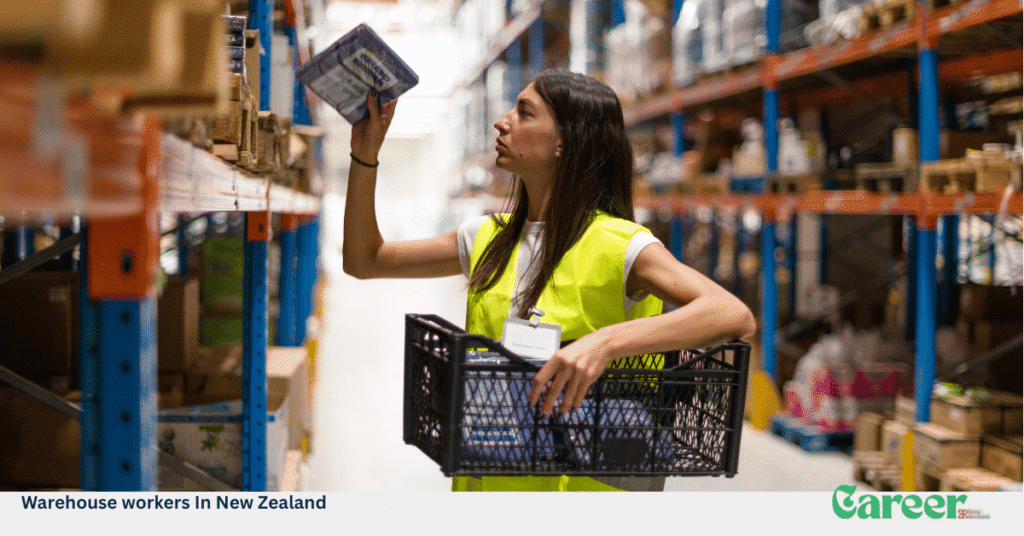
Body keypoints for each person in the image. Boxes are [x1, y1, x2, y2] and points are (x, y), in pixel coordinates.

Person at [342, 70, 757, 492]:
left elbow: (732, 314)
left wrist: (605, 343)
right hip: (490, 493)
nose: (501, 122)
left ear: (565, 142)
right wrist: (365, 155)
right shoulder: (487, 237)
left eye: (524, 113)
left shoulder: (620, 245)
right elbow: (364, 260)